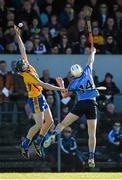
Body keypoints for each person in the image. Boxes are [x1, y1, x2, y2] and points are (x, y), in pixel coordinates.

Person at [14, 25, 65, 159]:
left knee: (49, 122)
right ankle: (25, 144)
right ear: (22, 69)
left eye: (23, 62)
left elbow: (22, 49)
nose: (24, 62)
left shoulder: (27, 65)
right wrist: (60, 89)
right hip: (35, 98)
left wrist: (18, 35)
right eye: (22, 64)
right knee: (38, 124)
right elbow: (44, 84)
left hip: (40, 96)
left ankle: (38, 141)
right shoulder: (27, 75)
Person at [44, 47, 99, 168]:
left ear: (73, 74)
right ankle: (91, 157)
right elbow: (90, 60)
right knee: (91, 133)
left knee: (62, 124)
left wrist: (62, 84)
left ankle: (53, 135)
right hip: (91, 104)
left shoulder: (73, 83)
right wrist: (93, 52)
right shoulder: (87, 72)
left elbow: (64, 95)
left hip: (80, 105)